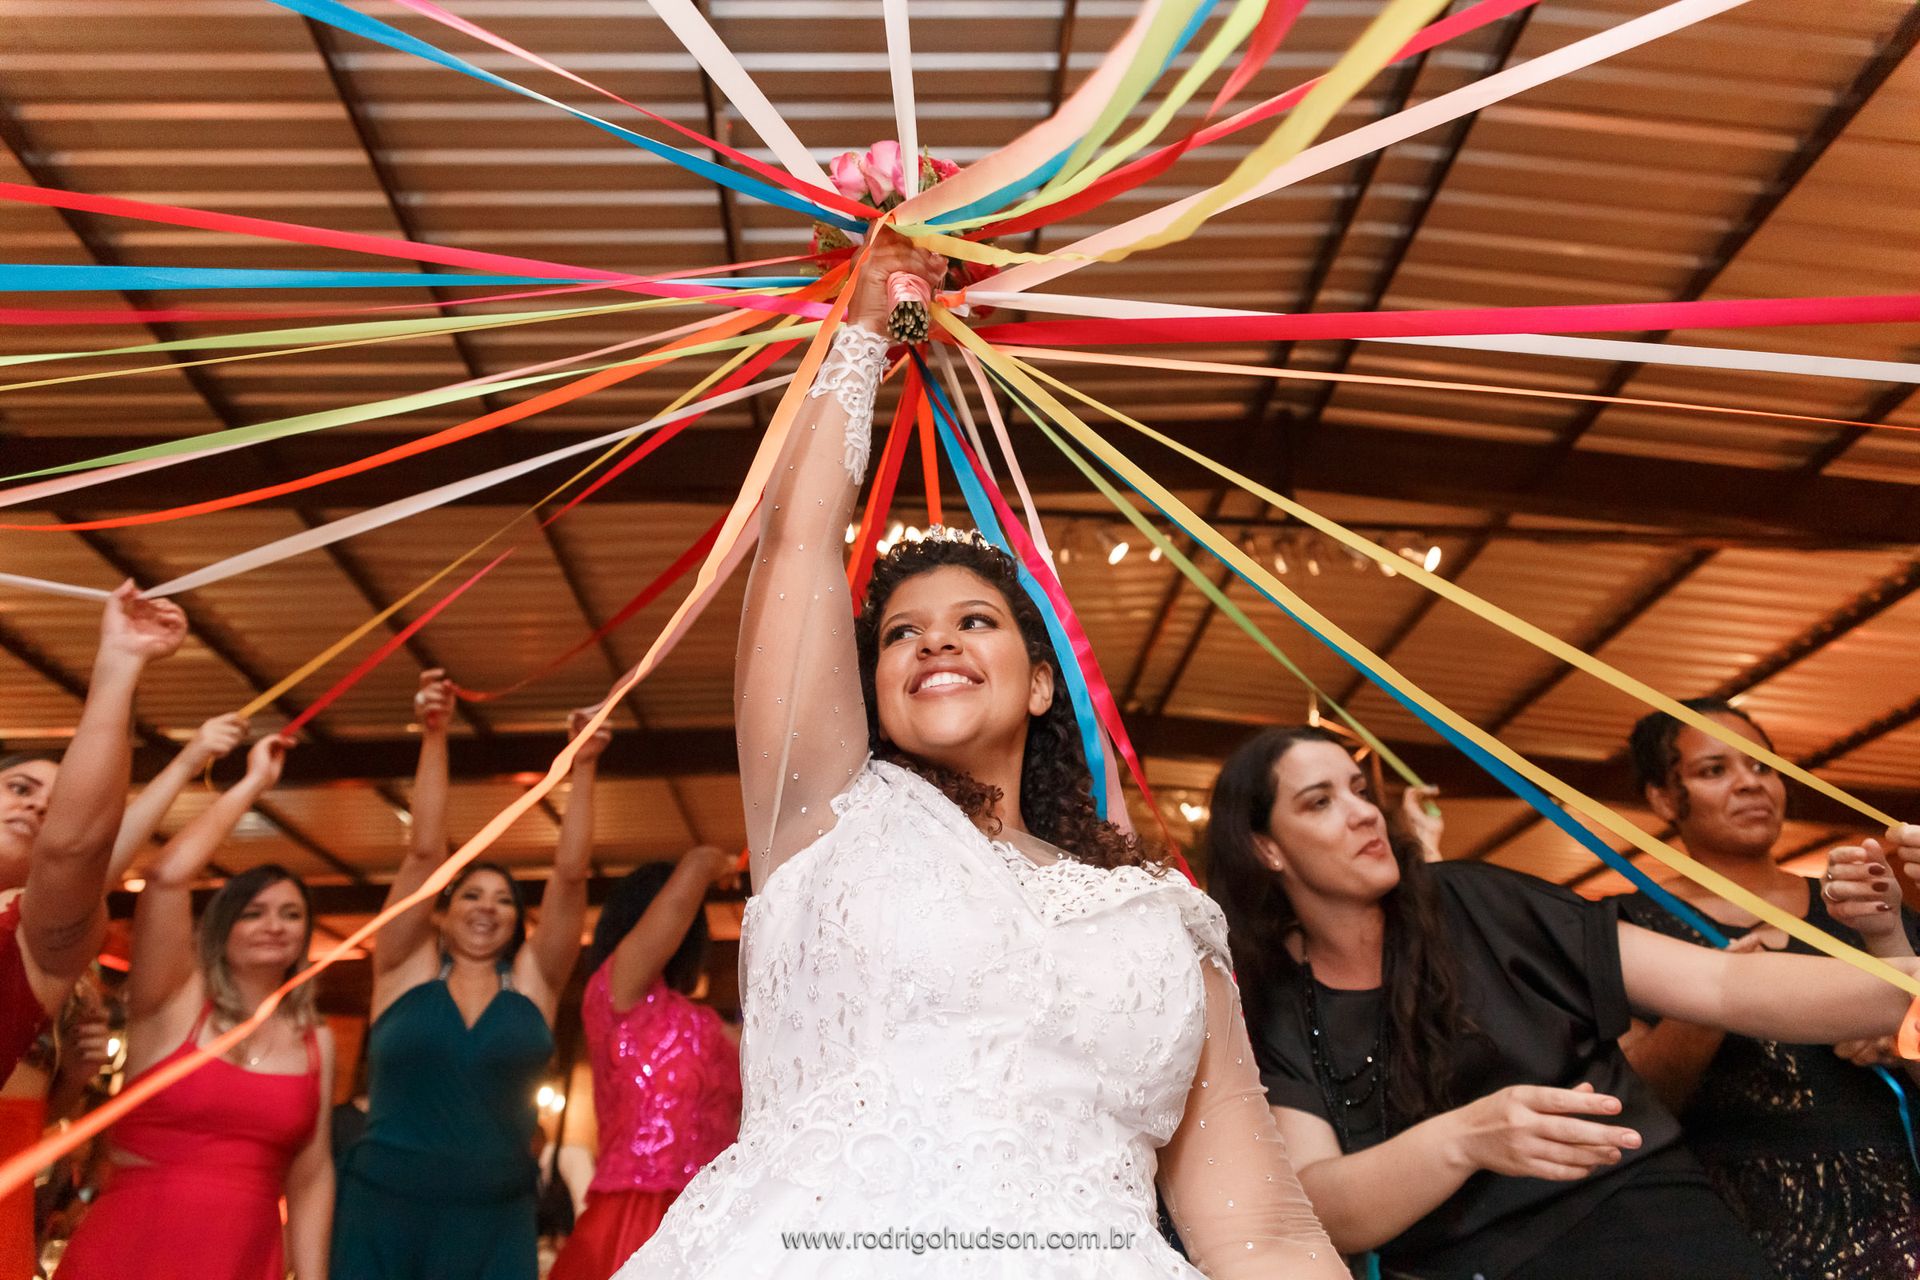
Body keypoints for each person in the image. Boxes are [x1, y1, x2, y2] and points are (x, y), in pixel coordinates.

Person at [615, 229, 1342, 1279]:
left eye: (976, 621)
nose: (936, 640)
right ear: (868, 689)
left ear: (1043, 682)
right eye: (901, 633)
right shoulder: (825, 815)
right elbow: (798, 544)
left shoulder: (1167, 917)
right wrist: (866, 325)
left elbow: (1259, 1226)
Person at [1205, 724, 1920, 1280]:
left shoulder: (1476, 901)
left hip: (1651, 1232)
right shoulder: (1270, 1002)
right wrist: (1468, 1138)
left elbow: (1720, 985)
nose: (1363, 813)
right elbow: (1323, 1204)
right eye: (1320, 802)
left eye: (1361, 788)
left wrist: (1909, 987)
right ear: (1266, 848)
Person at [1612, 699, 1920, 1280]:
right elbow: (1631, 1105)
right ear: (1660, 797)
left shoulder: (1863, 907)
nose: (1750, 785)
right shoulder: (1625, 928)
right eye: (1714, 771)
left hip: (1894, 1218)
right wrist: (1713, 996)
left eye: (1761, 766)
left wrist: (1900, 1039)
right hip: (1724, 1230)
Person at [330, 674, 603, 1280]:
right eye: (471, 895)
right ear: (443, 911)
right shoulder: (402, 968)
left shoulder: (535, 982)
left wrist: (582, 766)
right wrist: (435, 733)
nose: (486, 907)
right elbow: (424, 853)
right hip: (383, 1209)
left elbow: (572, 874)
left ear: (517, 919)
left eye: (504, 900)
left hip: (495, 1217)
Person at [56, 733, 333, 1280]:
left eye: (290, 914)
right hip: (135, 1243)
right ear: (222, 927)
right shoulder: (172, 1002)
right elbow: (165, 876)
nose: (274, 925)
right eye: (253, 912)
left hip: (243, 1254)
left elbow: (312, 1175)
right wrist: (251, 784)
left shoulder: (315, 1038)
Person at [0, 709, 247, 1274]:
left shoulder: (40, 940)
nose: (37, 807)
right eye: (18, 788)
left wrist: (75, 1080)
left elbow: (91, 858)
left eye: (56, 804)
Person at [549, 846, 741, 1280]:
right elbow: (678, 899)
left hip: (716, 1217)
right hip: (634, 1217)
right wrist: (711, 864)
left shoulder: (714, 1029)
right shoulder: (616, 995)